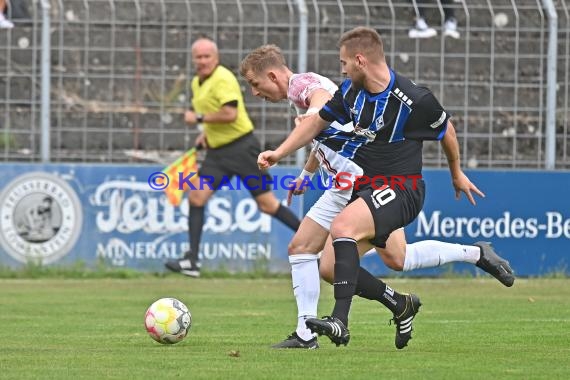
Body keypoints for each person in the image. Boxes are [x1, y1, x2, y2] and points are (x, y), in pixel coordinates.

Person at [243, 44, 514, 349]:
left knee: (317, 251)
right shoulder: (309, 93)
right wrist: (305, 174)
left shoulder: (302, 85)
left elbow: (319, 106)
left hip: (358, 181)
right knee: (387, 258)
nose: (255, 92)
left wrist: (312, 117)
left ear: (272, 74)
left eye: (255, 84)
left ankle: (318, 331)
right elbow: (322, 136)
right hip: (351, 181)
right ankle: (408, 297)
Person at [164, 37, 301, 278]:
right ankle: (192, 262)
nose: (203, 60)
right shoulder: (197, 83)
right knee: (196, 197)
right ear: (193, 59)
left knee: (267, 204)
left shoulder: (223, 78)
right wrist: (206, 134)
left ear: (216, 58)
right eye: (199, 56)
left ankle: (312, 241)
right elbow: (214, 115)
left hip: (241, 148)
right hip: (217, 153)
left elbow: (230, 113)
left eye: (208, 56)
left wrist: (197, 120)